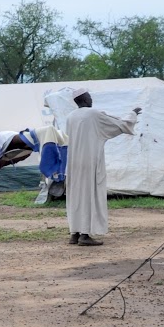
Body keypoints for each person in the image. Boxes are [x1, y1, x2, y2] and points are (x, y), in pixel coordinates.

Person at [64, 90, 139, 247]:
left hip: (73, 163)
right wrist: (133, 114)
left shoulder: (70, 117)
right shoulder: (93, 114)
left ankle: (75, 233)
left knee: (76, 196)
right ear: (84, 99)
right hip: (89, 161)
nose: (91, 99)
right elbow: (119, 124)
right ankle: (85, 235)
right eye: (89, 97)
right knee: (88, 195)